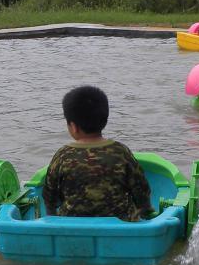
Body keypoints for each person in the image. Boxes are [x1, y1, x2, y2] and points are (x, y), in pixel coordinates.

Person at [42, 85, 151, 221]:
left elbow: (49, 194)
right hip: (120, 224)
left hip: (72, 224)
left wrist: (51, 217)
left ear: (73, 127)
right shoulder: (121, 152)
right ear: (104, 120)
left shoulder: (63, 155)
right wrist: (146, 212)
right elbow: (140, 189)